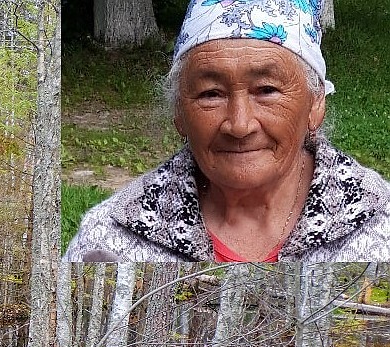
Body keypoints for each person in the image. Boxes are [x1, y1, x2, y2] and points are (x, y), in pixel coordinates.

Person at [64, 0, 390, 262]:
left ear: (315, 103)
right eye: (211, 94)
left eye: (266, 90)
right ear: (179, 112)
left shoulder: (379, 226)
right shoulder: (110, 240)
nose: (239, 124)